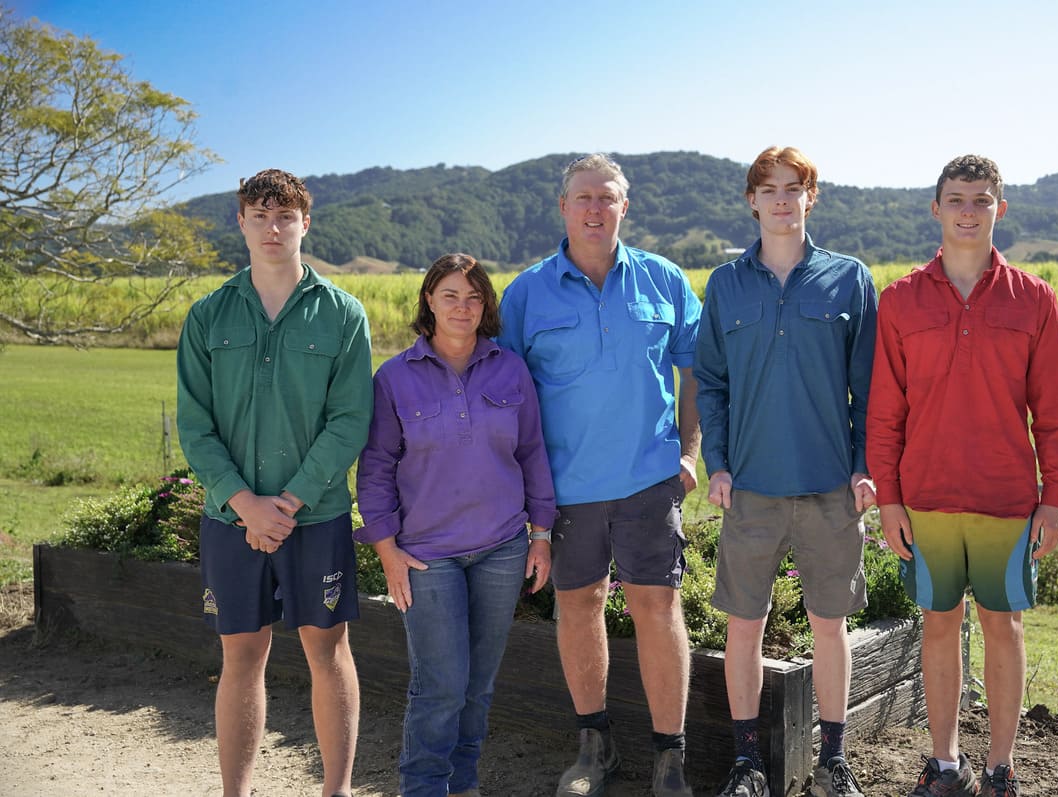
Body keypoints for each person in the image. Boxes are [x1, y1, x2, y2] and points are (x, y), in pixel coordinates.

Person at [866, 155, 1058, 797]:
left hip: (1007, 500)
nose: (967, 210)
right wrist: (889, 501)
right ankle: (945, 763)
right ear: (936, 208)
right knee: (937, 623)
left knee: (1002, 625)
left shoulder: (1034, 298)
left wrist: (1055, 499)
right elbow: (884, 412)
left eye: (981, 200)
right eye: (955, 199)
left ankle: (1001, 767)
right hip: (925, 499)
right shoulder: (900, 299)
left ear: (999, 210)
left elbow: (1057, 409)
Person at [497, 153, 702, 797]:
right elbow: (508, 393)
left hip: (648, 480)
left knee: (657, 605)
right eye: (582, 197)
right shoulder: (527, 293)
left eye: (606, 197)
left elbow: (696, 369)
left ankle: (671, 757)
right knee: (579, 606)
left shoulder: (662, 279)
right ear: (562, 207)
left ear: (624, 205)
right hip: (566, 489)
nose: (594, 208)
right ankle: (595, 747)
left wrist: (690, 456)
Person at [176, 168, 373, 797]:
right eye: (259, 216)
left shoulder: (343, 313)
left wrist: (285, 503)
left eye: (284, 215)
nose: (272, 227)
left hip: (313, 517)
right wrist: (245, 504)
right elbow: (194, 424)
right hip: (231, 518)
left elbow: (350, 421)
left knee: (327, 650)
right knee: (241, 656)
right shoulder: (208, 315)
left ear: (304, 223)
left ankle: (335, 791)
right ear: (240, 222)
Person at [694, 146, 877, 797]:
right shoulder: (724, 285)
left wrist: (863, 469)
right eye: (767, 188)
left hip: (830, 489)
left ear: (810, 197)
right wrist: (716, 462)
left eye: (791, 188)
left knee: (831, 626)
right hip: (749, 492)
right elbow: (710, 385)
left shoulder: (848, 279)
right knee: (742, 626)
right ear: (751, 200)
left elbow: (871, 390)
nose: (779, 199)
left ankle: (832, 762)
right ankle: (746, 764)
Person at [355, 252, 557, 797]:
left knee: (478, 686)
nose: (462, 307)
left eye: (473, 297)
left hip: (502, 548)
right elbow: (375, 468)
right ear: (428, 301)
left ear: (485, 305)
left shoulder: (510, 368)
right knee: (440, 686)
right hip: (426, 556)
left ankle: (462, 784)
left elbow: (533, 453)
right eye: (450, 296)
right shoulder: (394, 378)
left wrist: (540, 536)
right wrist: (386, 549)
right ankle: (422, 787)